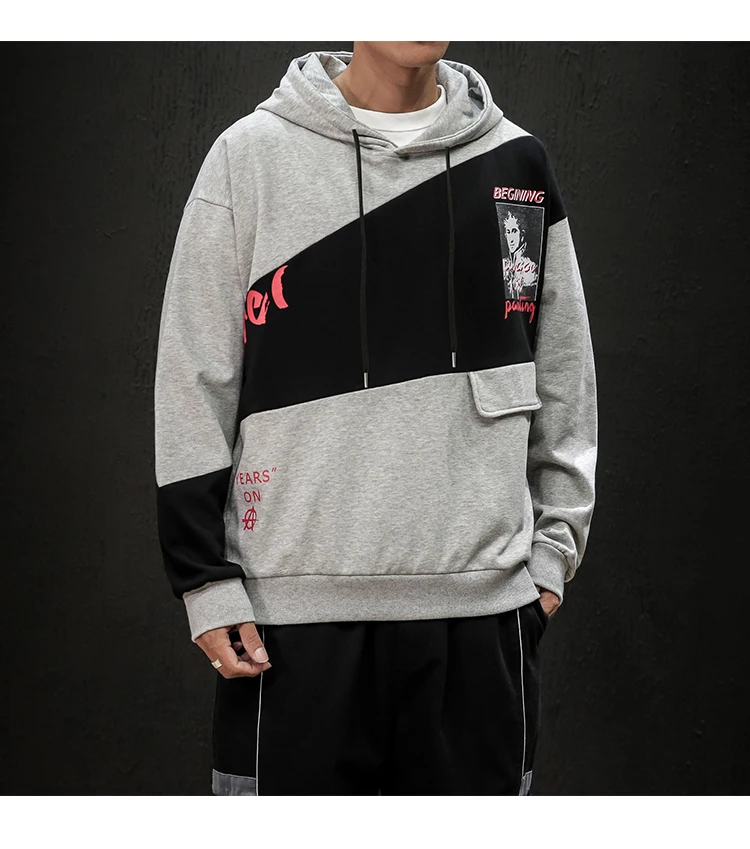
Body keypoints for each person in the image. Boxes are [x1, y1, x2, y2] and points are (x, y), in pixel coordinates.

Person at [154, 42, 598, 796]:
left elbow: (563, 373)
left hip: (480, 617)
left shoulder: (516, 163)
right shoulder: (249, 157)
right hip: (291, 622)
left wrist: (553, 554)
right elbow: (194, 377)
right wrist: (203, 579)